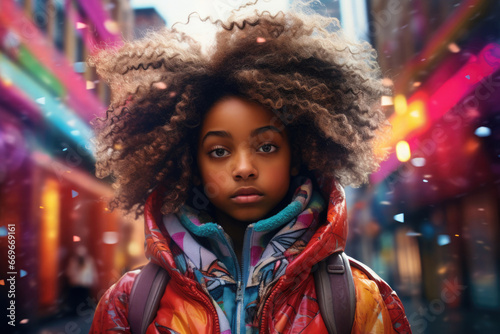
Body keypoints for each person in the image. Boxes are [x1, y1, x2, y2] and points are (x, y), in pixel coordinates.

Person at [88, 3, 411, 333]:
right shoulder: (130, 304)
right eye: (218, 151)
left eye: (266, 146)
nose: (243, 168)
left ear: (296, 154)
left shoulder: (360, 299)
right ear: (192, 164)